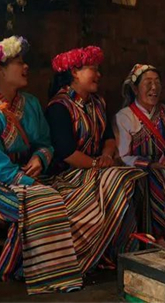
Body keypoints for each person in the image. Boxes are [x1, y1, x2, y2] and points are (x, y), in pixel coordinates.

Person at [0, 36, 81, 294]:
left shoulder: (29, 103)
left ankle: (55, 266)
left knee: (73, 196)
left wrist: (40, 158)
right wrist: (31, 183)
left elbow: (45, 143)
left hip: (30, 176)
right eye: (19, 62)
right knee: (44, 200)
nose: (26, 66)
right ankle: (16, 268)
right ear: (0, 70)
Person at [45, 46, 145, 272]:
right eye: (93, 69)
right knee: (116, 179)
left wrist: (107, 156)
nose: (98, 75)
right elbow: (67, 153)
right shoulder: (59, 107)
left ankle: (124, 251)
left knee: (130, 177)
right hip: (68, 176)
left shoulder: (98, 103)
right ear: (74, 72)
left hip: (97, 169)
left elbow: (108, 138)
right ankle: (99, 252)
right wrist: (96, 164)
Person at [115, 64, 165, 246]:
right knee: (156, 178)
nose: (154, 88)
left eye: (157, 82)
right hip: (140, 170)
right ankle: (157, 236)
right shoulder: (124, 116)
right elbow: (122, 155)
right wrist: (150, 165)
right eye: (148, 83)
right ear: (135, 89)